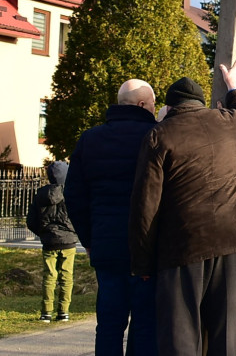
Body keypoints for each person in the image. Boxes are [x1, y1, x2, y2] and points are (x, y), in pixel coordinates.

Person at [130, 63, 236, 356]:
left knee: (181, 333)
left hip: (182, 245)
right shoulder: (228, 122)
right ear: (200, 103)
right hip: (231, 239)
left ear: (169, 105)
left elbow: (145, 205)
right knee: (225, 332)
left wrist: (143, 262)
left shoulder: (160, 135)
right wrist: (234, 87)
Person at [66, 78, 159, 356]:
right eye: (153, 104)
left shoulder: (90, 139)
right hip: (146, 248)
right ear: (143, 104)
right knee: (144, 324)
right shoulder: (156, 137)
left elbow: (74, 195)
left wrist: (89, 238)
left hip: (106, 246)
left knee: (108, 323)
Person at [27, 161, 79, 323]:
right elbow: (79, 216)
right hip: (69, 241)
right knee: (66, 276)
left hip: (49, 241)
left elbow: (31, 221)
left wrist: (44, 233)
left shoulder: (41, 195)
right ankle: (63, 311)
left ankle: (46, 312)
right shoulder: (72, 193)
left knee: (49, 276)